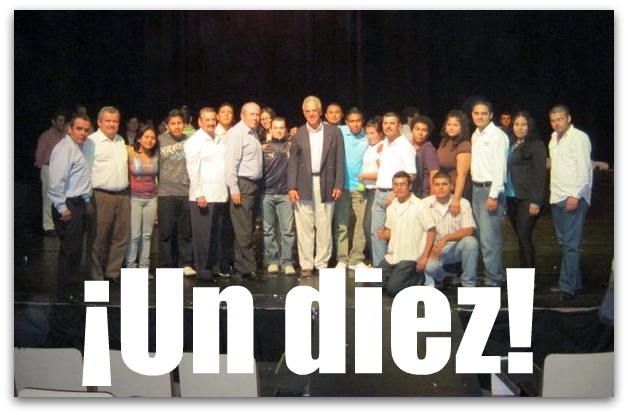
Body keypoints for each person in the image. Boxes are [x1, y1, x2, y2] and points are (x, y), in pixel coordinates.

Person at [287, 96, 345, 277]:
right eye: (308, 111)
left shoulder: (334, 132)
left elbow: (339, 160)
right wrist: (291, 187)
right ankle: (306, 264)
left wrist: (338, 184)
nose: (311, 114)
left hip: (326, 183)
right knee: (304, 227)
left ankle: (321, 264)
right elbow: (292, 162)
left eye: (314, 111)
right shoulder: (299, 133)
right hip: (303, 183)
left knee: (324, 225)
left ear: (320, 112)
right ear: (304, 113)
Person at [547, 104, 593, 302]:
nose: (556, 123)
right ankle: (574, 283)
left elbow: (584, 169)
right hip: (557, 196)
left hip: (572, 197)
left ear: (568, 118)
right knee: (564, 242)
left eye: (560, 119)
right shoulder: (553, 139)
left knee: (571, 244)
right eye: (553, 120)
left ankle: (567, 287)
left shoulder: (578, 137)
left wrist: (575, 195)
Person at [48, 114, 93, 302]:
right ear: (70, 129)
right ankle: (65, 291)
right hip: (68, 204)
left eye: (86, 130)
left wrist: (86, 200)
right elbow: (56, 181)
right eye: (79, 129)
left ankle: (71, 287)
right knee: (70, 250)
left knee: (75, 250)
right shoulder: (64, 148)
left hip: (77, 203)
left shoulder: (76, 148)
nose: (83, 133)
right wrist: (61, 207)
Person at [83, 106, 130, 283]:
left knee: (120, 236)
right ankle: (96, 276)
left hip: (122, 194)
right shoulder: (91, 142)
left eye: (115, 121)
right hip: (101, 195)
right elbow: (86, 171)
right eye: (108, 121)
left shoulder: (120, 140)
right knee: (98, 238)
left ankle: (112, 272)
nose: (112, 124)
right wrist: (87, 198)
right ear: (99, 122)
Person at [184, 107, 228, 282]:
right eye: (207, 120)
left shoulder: (218, 139)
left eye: (213, 119)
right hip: (203, 196)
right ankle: (202, 270)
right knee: (203, 236)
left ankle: (213, 266)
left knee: (215, 234)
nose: (211, 123)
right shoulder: (194, 141)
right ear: (199, 122)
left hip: (219, 194)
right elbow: (192, 170)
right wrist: (199, 194)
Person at [375, 171, 435, 297]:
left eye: (402, 184)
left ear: (410, 186)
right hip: (392, 256)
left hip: (410, 257)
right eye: (396, 184)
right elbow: (390, 230)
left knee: (393, 289)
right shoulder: (391, 207)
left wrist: (424, 257)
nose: (399, 188)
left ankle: (422, 278)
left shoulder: (420, 206)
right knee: (371, 282)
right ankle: (395, 278)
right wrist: (385, 234)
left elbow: (431, 231)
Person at [470, 99, 509, 287]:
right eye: (476, 113)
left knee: (489, 239)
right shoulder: (476, 135)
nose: (480, 117)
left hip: (489, 191)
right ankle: (494, 274)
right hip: (477, 189)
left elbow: (500, 167)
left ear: (491, 115)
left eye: (484, 113)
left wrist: (493, 195)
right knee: (483, 237)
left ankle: (494, 279)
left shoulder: (497, 136)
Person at [370, 112, 416, 268]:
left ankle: (398, 270)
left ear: (399, 126)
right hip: (379, 193)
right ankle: (380, 270)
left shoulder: (405, 146)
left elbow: (411, 174)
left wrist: (396, 194)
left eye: (392, 123)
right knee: (377, 233)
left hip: (395, 195)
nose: (388, 126)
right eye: (385, 123)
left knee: (397, 235)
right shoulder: (384, 143)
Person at [225, 102, 265, 281]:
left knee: (244, 226)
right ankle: (249, 268)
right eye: (252, 114)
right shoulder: (237, 133)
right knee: (244, 228)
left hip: (253, 184)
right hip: (242, 184)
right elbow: (230, 163)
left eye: (257, 114)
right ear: (242, 115)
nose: (256, 117)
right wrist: (234, 188)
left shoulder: (253, 132)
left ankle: (241, 265)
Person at [505, 111, 547, 269]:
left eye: (524, 124)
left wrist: (536, 201)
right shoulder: (510, 144)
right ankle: (522, 276)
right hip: (511, 197)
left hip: (527, 198)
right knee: (520, 237)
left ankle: (528, 278)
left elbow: (540, 174)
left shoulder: (536, 144)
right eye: (517, 124)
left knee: (524, 236)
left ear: (529, 126)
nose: (520, 127)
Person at [157, 109, 196, 277]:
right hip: (165, 193)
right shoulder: (159, 140)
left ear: (184, 124)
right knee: (165, 232)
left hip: (186, 192)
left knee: (185, 231)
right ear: (167, 126)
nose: (176, 126)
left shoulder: (191, 141)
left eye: (179, 123)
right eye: (173, 124)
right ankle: (166, 265)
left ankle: (185, 263)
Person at [423, 172, 478, 287]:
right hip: (434, 250)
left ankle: (469, 284)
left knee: (471, 242)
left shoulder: (463, 203)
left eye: (444, 184)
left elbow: (469, 230)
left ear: (452, 186)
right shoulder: (424, 203)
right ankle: (443, 277)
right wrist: (427, 248)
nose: (440, 187)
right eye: (437, 185)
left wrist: (446, 238)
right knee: (428, 267)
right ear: (433, 187)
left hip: (455, 248)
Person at [333, 107, 369, 270]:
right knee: (341, 223)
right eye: (352, 121)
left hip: (360, 188)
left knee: (361, 224)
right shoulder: (339, 131)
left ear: (362, 121)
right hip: (341, 187)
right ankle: (342, 259)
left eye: (358, 121)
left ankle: (356, 259)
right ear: (346, 122)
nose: (355, 124)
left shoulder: (368, 135)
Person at [261, 117, 296, 276]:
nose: (279, 130)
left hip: (285, 195)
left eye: (282, 128)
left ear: (286, 129)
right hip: (267, 194)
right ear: (270, 130)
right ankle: (272, 261)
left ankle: (287, 262)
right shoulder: (264, 148)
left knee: (287, 230)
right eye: (276, 128)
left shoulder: (291, 146)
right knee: (268, 230)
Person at [124, 125, 159, 273]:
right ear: (139, 138)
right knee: (134, 235)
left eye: (152, 137)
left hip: (151, 199)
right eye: (146, 137)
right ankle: (131, 267)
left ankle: (144, 267)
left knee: (147, 235)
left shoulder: (156, 154)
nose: (150, 140)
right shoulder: (130, 151)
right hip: (134, 198)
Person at [358, 117, 386, 263]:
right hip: (368, 190)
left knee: (370, 226)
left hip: (377, 190)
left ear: (380, 133)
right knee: (368, 226)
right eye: (367, 133)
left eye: (373, 133)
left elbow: (383, 172)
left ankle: (378, 261)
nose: (369, 136)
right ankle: (375, 259)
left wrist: (364, 176)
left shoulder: (382, 147)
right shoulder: (371, 147)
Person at [34, 110, 67, 236]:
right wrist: (42, 166)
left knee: (63, 197)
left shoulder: (66, 135)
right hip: (49, 168)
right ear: (53, 122)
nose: (62, 123)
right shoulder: (46, 136)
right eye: (60, 120)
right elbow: (39, 154)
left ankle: (62, 223)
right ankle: (48, 226)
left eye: (63, 120)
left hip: (63, 169)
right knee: (48, 198)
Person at [436, 110, 472, 216]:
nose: (451, 128)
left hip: (458, 191)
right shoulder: (444, 141)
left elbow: (462, 174)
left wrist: (456, 200)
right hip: (445, 188)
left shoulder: (464, 144)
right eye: (449, 124)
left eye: (455, 125)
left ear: (462, 127)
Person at [410, 115, 439, 198]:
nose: (420, 133)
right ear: (412, 130)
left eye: (424, 130)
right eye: (417, 129)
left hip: (423, 195)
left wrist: (432, 198)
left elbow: (434, 174)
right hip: (409, 193)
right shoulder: (407, 146)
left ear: (428, 133)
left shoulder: (428, 149)